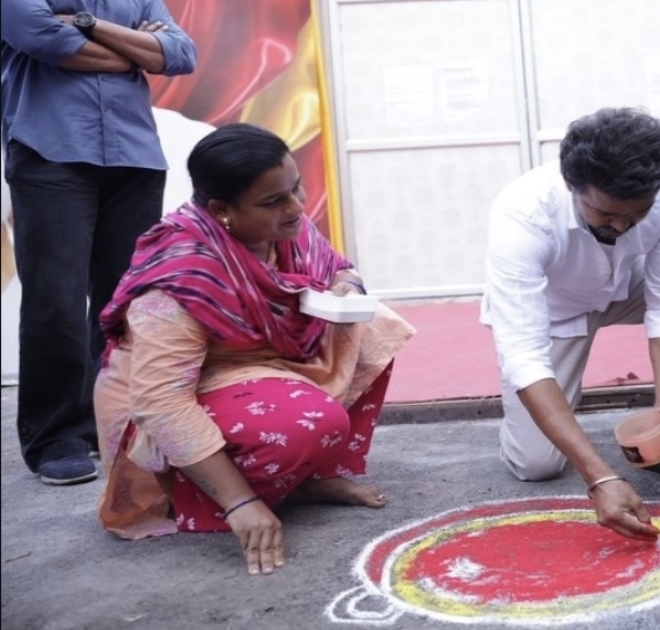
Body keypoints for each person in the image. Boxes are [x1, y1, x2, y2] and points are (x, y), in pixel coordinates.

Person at [94, 124, 415, 576]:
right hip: (193, 381)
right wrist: (239, 502)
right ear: (221, 210)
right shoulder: (181, 276)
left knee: (374, 327)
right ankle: (208, 496)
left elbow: (339, 268)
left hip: (262, 364)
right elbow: (160, 401)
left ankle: (301, 483)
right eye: (274, 201)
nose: (297, 208)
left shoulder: (284, 229)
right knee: (310, 423)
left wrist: (346, 287)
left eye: (296, 188)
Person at [481, 108, 660, 540]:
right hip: (554, 311)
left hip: (624, 287)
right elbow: (524, 355)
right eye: (606, 215)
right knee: (536, 465)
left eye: (636, 215)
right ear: (573, 187)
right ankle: (542, 413)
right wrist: (601, 477)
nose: (622, 227)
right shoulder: (523, 213)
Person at [1, 0, 197, 485]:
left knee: (124, 301)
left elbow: (180, 54)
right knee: (56, 300)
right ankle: (57, 435)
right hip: (51, 153)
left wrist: (90, 25)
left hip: (134, 155)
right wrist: (137, 49)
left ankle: (117, 420)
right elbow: (50, 43)